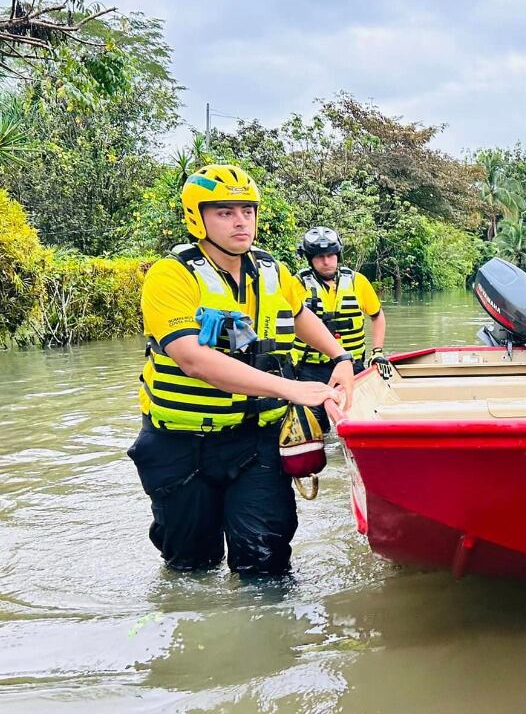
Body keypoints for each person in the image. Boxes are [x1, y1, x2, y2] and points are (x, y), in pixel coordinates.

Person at [127, 165, 356, 577]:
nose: (240, 222)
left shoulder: (273, 271)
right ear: (197, 217)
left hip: (257, 441)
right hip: (179, 444)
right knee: (190, 565)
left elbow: (300, 314)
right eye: (225, 212)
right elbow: (193, 359)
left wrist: (340, 358)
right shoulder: (170, 276)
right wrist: (294, 389)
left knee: (265, 560)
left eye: (247, 211)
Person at [293, 226, 392, 422]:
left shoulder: (358, 282)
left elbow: (377, 316)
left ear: (338, 255)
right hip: (310, 369)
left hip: (352, 366)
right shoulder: (295, 285)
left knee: (356, 418)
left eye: (331, 255)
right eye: (319, 256)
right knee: (313, 426)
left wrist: (377, 351)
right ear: (310, 259)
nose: (326, 261)